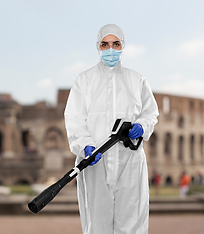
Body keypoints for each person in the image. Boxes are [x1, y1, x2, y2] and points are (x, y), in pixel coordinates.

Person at [64, 24, 159, 234]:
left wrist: (141, 126)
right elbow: (74, 118)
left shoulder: (137, 80)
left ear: (122, 46)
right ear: (98, 47)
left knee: (132, 220)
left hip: (130, 162)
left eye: (115, 44)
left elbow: (151, 112)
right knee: (97, 223)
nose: (110, 50)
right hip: (95, 160)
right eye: (105, 44)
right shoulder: (85, 80)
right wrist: (85, 145)